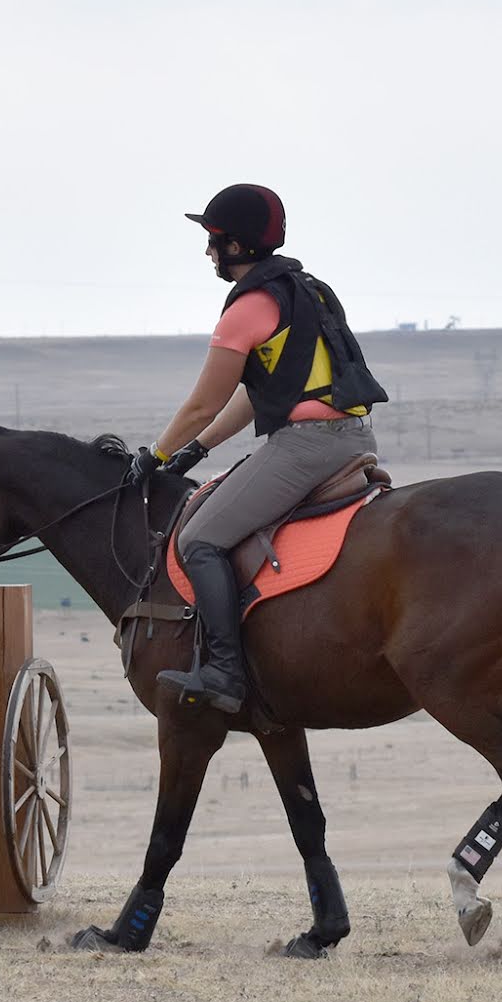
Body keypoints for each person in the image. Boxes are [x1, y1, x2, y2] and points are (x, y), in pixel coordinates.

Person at [129, 184, 388, 713]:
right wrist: (196, 450)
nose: (208, 251)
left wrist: (156, 455)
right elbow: (263, 391)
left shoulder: (247, 309)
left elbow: (204, 403)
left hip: (308, 447)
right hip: (354, 437)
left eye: (214, 240)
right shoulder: (309, 291)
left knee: (199, 539)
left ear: (238, 246)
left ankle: (225, 672)